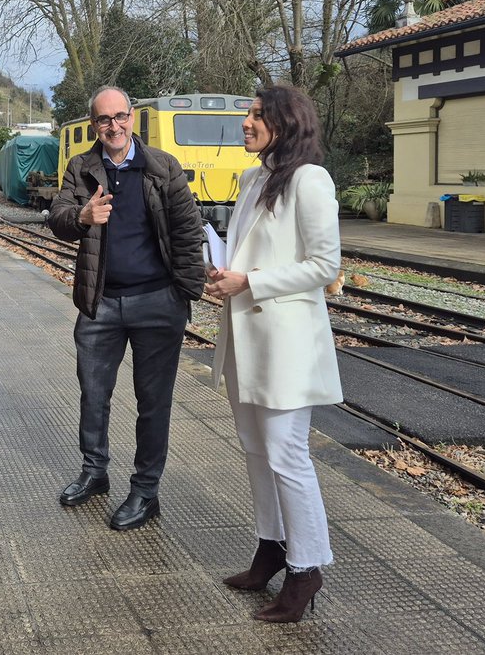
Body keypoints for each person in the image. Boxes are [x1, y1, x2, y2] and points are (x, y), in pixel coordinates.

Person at [204, 85, 342, 623]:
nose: (246, 122)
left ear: (285, 124)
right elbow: (246, 251)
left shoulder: (310, 180)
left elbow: (325, 266)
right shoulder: (252, 178)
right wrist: (223, 273)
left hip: (286, 343)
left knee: (287, 453)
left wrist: (250, 282)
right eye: (248, 114)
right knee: (255, 449)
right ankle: (271, 547)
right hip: (245, 338)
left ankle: (306, 569)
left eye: (257, 115)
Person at [47, 86, 205, 530]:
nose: (113, 126)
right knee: (93, 393)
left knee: (153, 401)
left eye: (120, 116)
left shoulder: (162, 167)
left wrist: (185, 294)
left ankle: (145, 491)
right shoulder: (81, 167)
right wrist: (82, 218)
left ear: (132, 117)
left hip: (158, 303)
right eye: (104, 119)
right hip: (101, 303)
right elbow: (58, 218)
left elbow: (188, 233)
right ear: (93, 124)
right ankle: (95, 472)